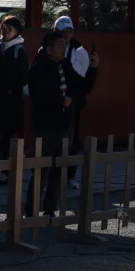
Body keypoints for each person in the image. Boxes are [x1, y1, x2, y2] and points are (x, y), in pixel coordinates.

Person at [25, 32, 99, 218]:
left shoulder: (64, 65)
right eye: (59, 46)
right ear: (49, 49)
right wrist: (61, 101)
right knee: (42, 167)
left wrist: (92, 68)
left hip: (66, 123)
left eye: (64, 45)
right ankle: (32, 210)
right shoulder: (39, 68)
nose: (63, 49)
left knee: (60, 167)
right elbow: (39, 96)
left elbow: (81, 86)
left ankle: (50, 208)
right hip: (48, 124)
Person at [0, 15, 29, 184]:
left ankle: (7, 170)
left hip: (10, 101)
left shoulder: (19, 51)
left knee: (9, 134)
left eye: (9, 28)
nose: (5, 31)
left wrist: (12, 90)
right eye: (3, 27)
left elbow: (23, 77)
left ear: (17, 32)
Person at [54, 16, 90, 189]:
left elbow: (83, 78)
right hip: (54, 99)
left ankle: (70, 175)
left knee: (73, 139)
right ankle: (52, 173)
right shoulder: (47, 48)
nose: (66, 35)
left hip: (73, 100)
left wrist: (73, 96)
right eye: (63, 31)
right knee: (54, 138)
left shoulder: (80, 51)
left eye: (69, 31)